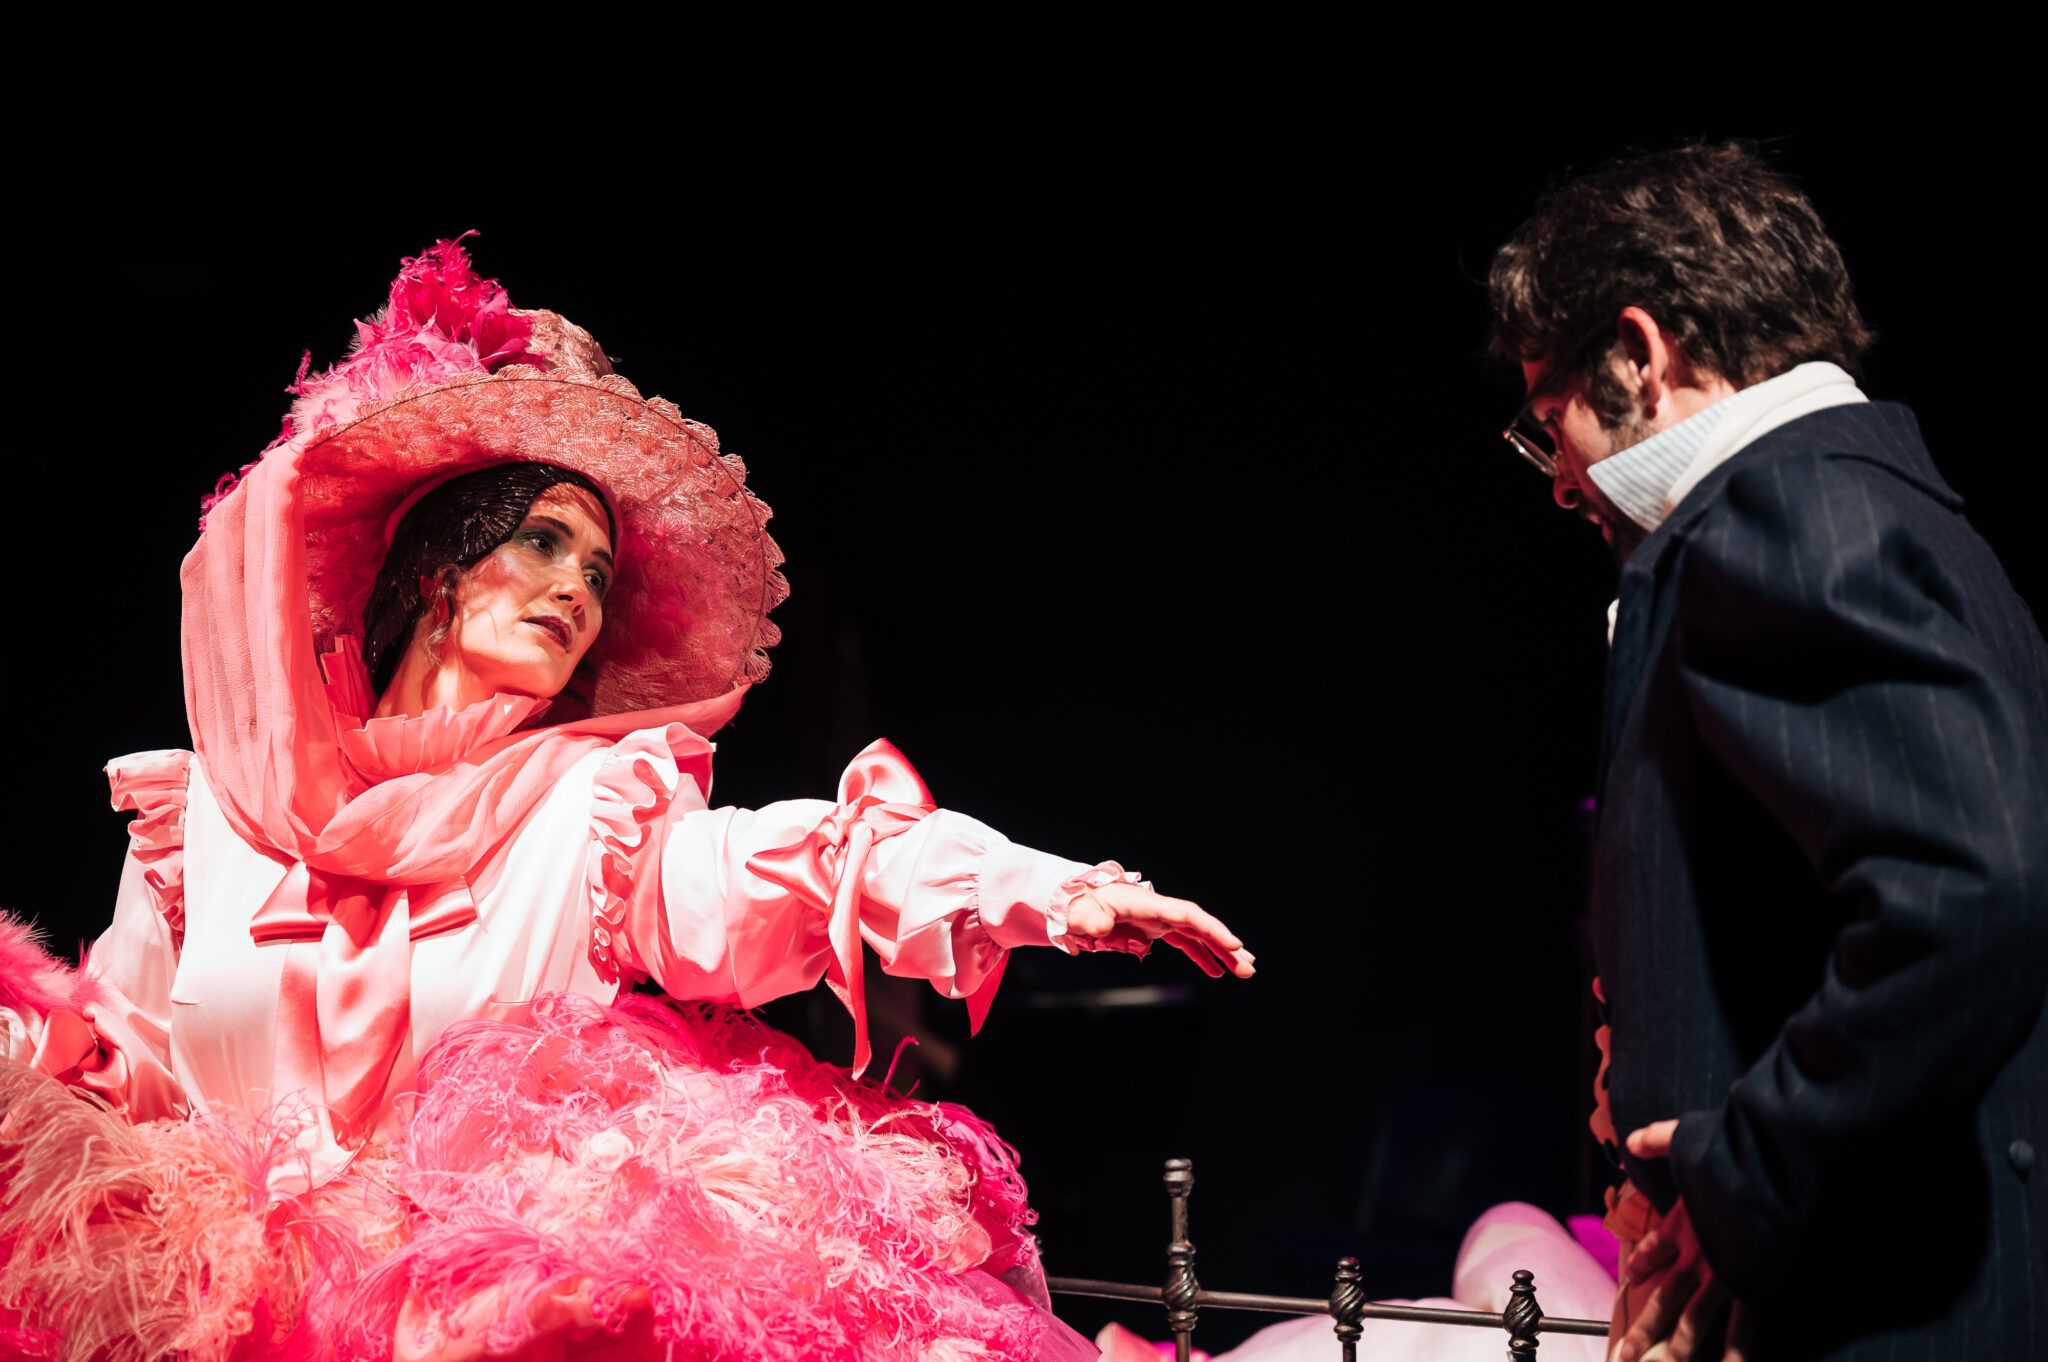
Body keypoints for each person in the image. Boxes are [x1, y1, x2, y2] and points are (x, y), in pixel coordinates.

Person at [0, 238, 1253, 1362]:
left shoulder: (593, 808)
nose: (575, 591)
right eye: (542, 543)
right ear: (436, 573)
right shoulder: (208, 817)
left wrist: (1047, 891)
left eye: (596, 571)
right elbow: (125, 1066)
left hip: (485, 1324)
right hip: (221, 1325)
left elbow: (801, 863)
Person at [1490, 144, 2048, 1360]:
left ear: (1639, 353)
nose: (1558, 483)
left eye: (1552, 423)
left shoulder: (1778, 509)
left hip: (1860, 1317)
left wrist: (1739, 1185)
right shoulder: (1885, 503)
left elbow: (1969, 893)